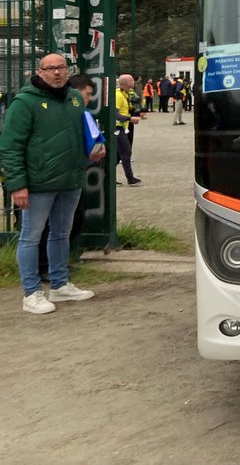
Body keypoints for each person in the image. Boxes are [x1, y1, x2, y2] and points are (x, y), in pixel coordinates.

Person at [0, 54, 105, 314]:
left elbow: (79, 135)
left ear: (67, 71)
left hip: (70, 180)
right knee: (30, 237)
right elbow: (10, 147)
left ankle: (59, 285)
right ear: (40, 71)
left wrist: (89, 153)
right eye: (51, 68)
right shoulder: (24, 103)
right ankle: (31, 292)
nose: (57, 73)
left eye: (61, 68)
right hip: (37, 184)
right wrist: (18, 184)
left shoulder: (74, 99)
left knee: (61, 233)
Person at [113, 74, 143, 186]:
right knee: (126, 152)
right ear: (128, 83)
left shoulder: (124, 93)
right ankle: (130, 179)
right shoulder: (118, 95)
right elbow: (114, 114)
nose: (134, 82)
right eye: (132, 80)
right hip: (117, 127)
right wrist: (130, 118)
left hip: (122, 126)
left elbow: (132, 105)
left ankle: (110, 178)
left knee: (117, 155)